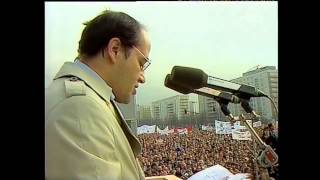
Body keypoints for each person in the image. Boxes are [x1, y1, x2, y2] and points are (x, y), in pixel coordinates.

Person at [45, 9, 151, 179]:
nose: (142, 77)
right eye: (141, 64)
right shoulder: (79, 108)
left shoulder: (89, 99)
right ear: (115, 49)